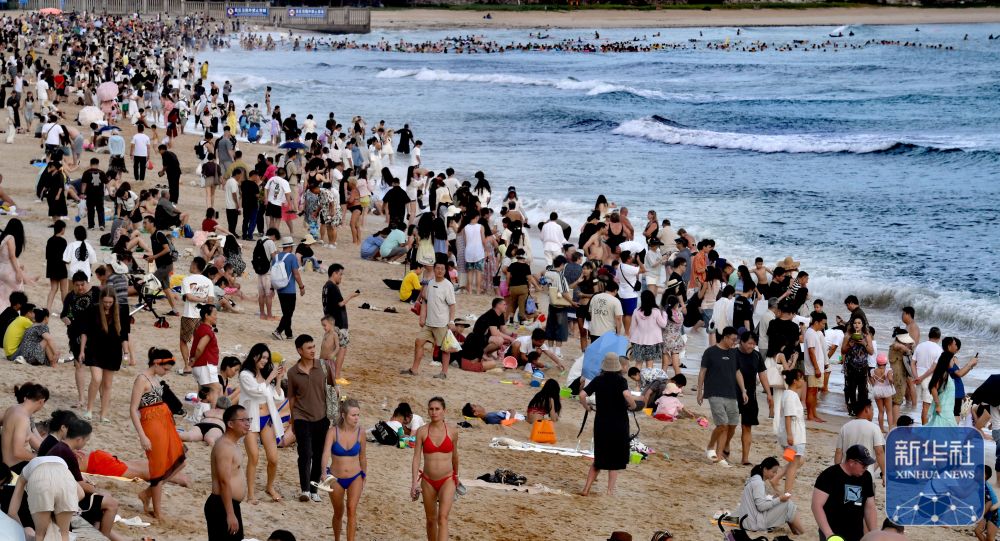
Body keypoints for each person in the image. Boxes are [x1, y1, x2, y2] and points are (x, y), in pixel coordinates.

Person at [129, 348, 187, 519]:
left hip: (165, 423)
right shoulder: (142, 379)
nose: (166, 372)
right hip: (152, 425)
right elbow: (133, 409)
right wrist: (142, 436)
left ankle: (147, 494)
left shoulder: (154, 378)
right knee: (158, 468)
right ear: (156, 363)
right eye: (165, 368)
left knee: (179, 461)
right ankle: (158, 511)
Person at [579, 353, 637, 496]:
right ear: (617, 366)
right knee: (615, 460)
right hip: (619, 423)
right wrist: (633, 406)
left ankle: (586, 488)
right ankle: (609, 491)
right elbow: (627, 395)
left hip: (601, 423)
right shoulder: (621, 380)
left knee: (599, 458)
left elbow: (582, 395)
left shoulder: (598, 379)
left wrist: (587, 407)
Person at [288, 334, 333, 503]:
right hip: (301, 417)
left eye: (314, 347)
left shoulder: (324, 366)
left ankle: (314, 490)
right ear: (300, 350)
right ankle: (305, 490)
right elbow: (292, 398)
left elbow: (332, 389)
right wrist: (293, 420)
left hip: (322, 417)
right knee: (305, 453)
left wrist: (334, 415)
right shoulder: (293, 373)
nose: (313, 350)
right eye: (309, 348)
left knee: (319, 454)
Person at [239, 343, 286, 503]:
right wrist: (271, 377)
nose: (265, 361)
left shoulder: (266, 375)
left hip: (266, 420)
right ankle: (251, 494)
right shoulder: (245, 374)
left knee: (273, 459)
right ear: (254, 356)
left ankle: (269, 487)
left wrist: (278, 379)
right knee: (254, 457)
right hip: (250, 421)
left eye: (267, 358)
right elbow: (256, 391)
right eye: (263, 357)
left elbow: (278, 397)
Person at [697, 327, 747, 467]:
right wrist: (700, 391)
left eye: (736, 340)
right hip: (714, 393)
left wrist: (743, 390)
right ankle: (711, 446)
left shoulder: (734, 353)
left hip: (731, 393)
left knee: (732, 424)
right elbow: (702, 371)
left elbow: (737, 372)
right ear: (725, 337)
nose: (734, 342)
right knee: (722, 424)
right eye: (732, 339)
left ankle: (719, 456)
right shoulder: (710, 352)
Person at [411, 397, 459, 541]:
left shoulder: (452, 432)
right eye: (431, 409)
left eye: (437, 409)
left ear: (444, 411)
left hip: (447, 480)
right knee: (431, 520)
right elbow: (416, 458)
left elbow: (455, 456)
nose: (434, 412)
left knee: (442, 518)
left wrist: (456, 476)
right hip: (428, 481)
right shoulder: (422, 431)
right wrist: (414, 483)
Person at [320, 399, 366, 541]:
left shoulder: (361, 432)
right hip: (335, 478)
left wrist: (364, 476)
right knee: (338, 512)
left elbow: (363, 457)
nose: (356, 418)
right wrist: (323, 473)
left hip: (355, 477)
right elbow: (325, 453)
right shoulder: (333, 432)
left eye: (358, 415)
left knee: (352, 509)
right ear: (343, 415)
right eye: (353, 415)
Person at [4, 453, 80, 541]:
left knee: (40, 535)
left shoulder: (24, 472)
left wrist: (22, 531)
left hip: (39, 479)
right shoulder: (64, 467)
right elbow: (81, 494)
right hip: (66, 479)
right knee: (64, 533)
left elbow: (12, 512)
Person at [812, 444, 878, 541]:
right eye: (864, 465)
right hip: (832, 532)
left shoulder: (866, 477)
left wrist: (874, 533)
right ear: (851, 462)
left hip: (856, 534)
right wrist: (829, 534)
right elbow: (816, 506)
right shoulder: (829, 475)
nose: (866, 468)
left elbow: (870, 507)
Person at [80, 287, 126, 422]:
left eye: (110, 302)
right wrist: (82, 350)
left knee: (107, 384)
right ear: (101, 300)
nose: (107, 304)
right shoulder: (93, 310)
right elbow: (84, 332)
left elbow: (124, 335)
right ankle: (89, 409)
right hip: (94, 350)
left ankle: (103, 414)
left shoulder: (120, 311)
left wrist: (127, 352)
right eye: (105, 302)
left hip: (113, 351)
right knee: (96, 379)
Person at [403, 261, 455, 379]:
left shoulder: (448, 285)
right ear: (434, 269)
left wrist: (451, 321)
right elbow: (425, 300)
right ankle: (414, 369)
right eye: (438, 268)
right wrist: (422, 317)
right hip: (429, 323)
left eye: (442, 269)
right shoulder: (430, 283)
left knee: (445, 348)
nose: (440, 271)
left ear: (445, 271)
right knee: (418, 342)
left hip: (442, 323)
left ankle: (444, 373)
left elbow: (452, 305)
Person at [207, 405, 249, 541]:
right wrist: (230, 514)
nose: (247, 423)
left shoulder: (232, 444)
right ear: (230, 424)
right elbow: (223, 481)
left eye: (248, 419)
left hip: (228, 505)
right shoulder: (224, 446)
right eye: (243, 420)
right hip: (222, 505)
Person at [733, 456, 804, 534]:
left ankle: (796, 532)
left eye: (776, 472)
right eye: (773, 472)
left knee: (786, 505)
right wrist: (779, 499)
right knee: (788, 504)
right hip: (753, 523)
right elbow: (761, 507)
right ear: (765, 469)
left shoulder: (755, 479)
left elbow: (757, 502)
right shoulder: (758, 483)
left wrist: (774, 498)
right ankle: (801, 532)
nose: (775, 474)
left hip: (748, 520)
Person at [734, 331, 771, 466]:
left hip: (750, 395)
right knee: (730, 425)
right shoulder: (733, 354)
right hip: (733, 394)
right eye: (749, 343)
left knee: (747, 426)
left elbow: (762, 374)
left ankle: (745, 458)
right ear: (741, 342)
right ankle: (725, 448)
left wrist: (769, 393)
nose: (751, 346)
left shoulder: (756, 355)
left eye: (754, 344)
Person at [322, 264, 359, 384]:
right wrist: (351, 296)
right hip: (338, 323)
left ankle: (328, 375)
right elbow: (340, 304)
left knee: (330, 349)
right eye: (340, 274)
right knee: (342, 348)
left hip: (330, 321)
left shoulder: (326, 286)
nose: (341, 277)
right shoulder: (332, 287)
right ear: (334, 273)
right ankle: (337, 376)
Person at [1, 383, 48, 474]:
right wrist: (39, 458)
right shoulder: (23, 418)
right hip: (15, 468)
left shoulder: (13, 409)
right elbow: (18, 452)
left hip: (10, 465)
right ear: (41, 401)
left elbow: (35, 442)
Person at [834, 399, 886, 481]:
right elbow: (879, 452)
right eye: (872, 410)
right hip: (866, 474)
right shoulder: (874, 428)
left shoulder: (845, 427)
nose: (873, 413)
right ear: (867, 409)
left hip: (847, 472)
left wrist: (837, 472)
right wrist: (884, 474)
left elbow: (838, 452)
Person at [272, 236, 305, 340]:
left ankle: (288, 333)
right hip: (289, 289)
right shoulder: (292, 257)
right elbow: (296, 274)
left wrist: (272, 288)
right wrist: (301, 286)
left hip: (279, 288)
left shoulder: (276, 257)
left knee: (286, 312)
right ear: (290, 247)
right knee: (289, 313)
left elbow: (272, 273)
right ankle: (278, 331)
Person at [912, 327, 943, 425]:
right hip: (929, 380)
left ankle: (923, 427)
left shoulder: (920, 346)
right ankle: (925, 429)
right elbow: (933, 368)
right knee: (926, 407)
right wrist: (921, 378)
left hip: (917, 378)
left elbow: (912, 363)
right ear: (939, 337)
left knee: (920, 406)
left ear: (929, 335)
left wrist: (916, 377)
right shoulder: (939, 350)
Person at [628, 290, 666, 369]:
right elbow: (663, 324)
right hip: (652, 341)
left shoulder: (636, 311)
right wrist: (665, 314)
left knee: (638, 363)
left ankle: (636, 377)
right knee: (649, 365)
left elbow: (632, 327)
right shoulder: (656, 311)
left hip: (638, 341)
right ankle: (648, 377)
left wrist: (631, 340)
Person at [803, 311, 828, 422]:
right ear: (817, 322)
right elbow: (811, 352)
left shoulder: (813, 333)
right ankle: (810, 415)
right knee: (812, 391)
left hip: (816, 367)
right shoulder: (811, 333)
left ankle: (814, 414)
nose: (824, 326)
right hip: (813, 368)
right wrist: (817, 368)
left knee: (814, 391)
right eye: (823, 323)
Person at [192, 305, 221, 394]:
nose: (216, 317)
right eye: (214, 314)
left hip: (201, 366)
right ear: (206, 316)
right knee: (216, 390)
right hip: (205, 365)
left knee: (203, 392)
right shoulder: (207, 331)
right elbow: (199, 348)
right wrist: (194, 359)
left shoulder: (201, 328)